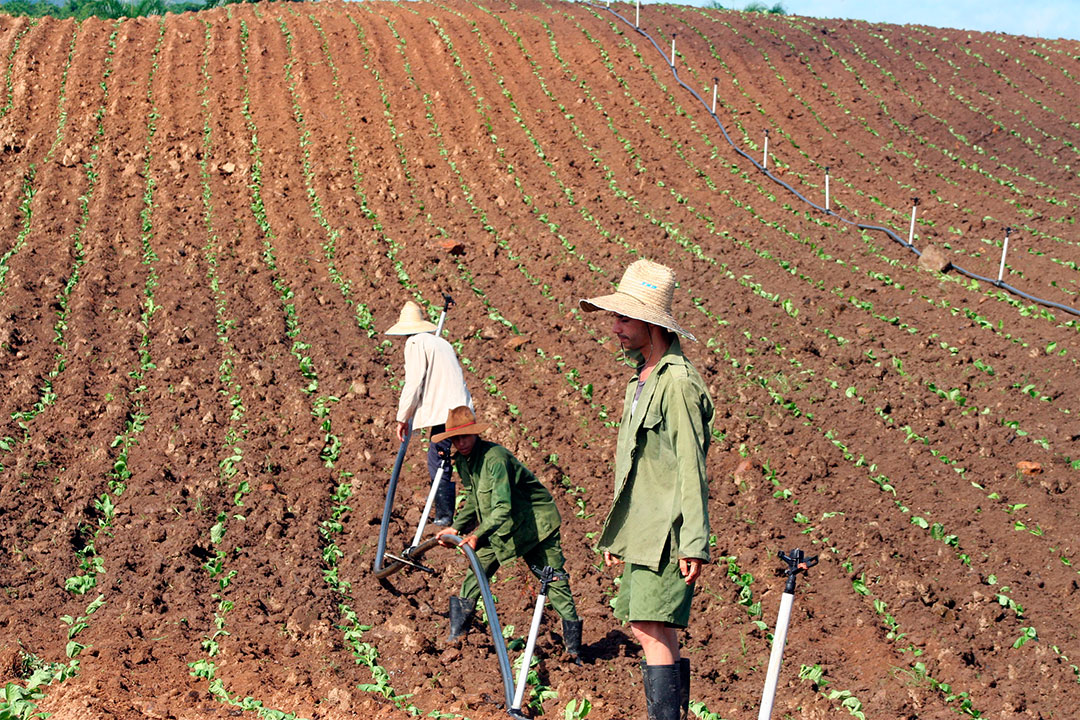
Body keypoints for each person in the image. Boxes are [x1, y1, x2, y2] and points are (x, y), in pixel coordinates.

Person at [579, 258, 714, 720]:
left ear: (650, 322)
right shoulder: (641, 380)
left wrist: (694, 541)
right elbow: (635, 469)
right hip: (645, 528)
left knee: (650, 625)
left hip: (669, 528)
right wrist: (621, 535)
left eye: (622, 317)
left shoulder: (675, 383)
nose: (613, 326)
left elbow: (690, 466)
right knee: (652, 626)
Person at [433, 405, 582, 664]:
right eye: (456, 438)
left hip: (534, 526)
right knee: (475, 572)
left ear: (476, 434)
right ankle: (456, 638)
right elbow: (472, 499)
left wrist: (477, 534)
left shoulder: (495, 459)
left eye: (465, 436)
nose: (461, 442)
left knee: (554, 581)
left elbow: (503, 506)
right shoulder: (464, 462)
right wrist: (457, 527)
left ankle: (574, 652)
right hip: (499, 527)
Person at [385, 300, 472, 526]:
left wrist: (402, 418)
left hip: (445, 413)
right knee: (468, 458)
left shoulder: (414, 343)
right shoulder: (441, 343)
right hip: (463, 409)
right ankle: (477, 507)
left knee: (438, 459)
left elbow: (414, 383)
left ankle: (444, 516)